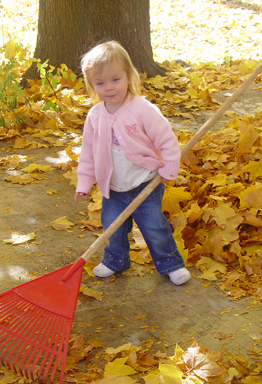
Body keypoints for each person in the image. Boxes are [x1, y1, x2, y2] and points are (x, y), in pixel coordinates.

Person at [74, 41, 191, 285]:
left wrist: (169, 165)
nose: (109, 88)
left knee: (153, 227)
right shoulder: (95, 116)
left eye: (115, 79)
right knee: (112, 227)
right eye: (100, 83)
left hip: (145, 183)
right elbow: (88, 153)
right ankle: (116, 260)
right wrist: (85, 182)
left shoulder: (141, 109)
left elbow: (166, 138)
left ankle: (171, 263)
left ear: (129, 76)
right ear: (92, 85)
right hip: (113, 189)